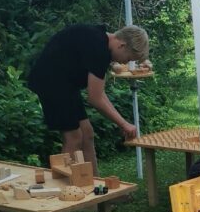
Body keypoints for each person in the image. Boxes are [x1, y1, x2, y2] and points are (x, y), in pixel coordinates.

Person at [27, 23, 148, 174]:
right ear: (122, 45)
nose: (124, 62)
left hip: (65, 83)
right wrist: (123, 124)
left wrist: (123, 122)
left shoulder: (99, 37)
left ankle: (96, 186)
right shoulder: (100, 51)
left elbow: (99, 94)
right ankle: (67, 189)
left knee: (87, 133)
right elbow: (95, 98)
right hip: (51, 82)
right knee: (74, 138)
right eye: (129, 58)